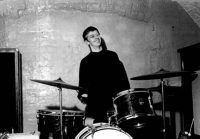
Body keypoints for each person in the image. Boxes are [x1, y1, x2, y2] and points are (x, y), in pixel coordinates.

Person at [78, 26, 130, 127]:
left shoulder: (112, 56)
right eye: (92, 36)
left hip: (113, 105)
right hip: (94, 107)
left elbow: (122, 82)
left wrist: (119, 104)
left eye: (98, 35)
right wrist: (82, 95)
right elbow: (82, 88)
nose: (97, 37)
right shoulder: (85, 62)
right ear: (87, 42)